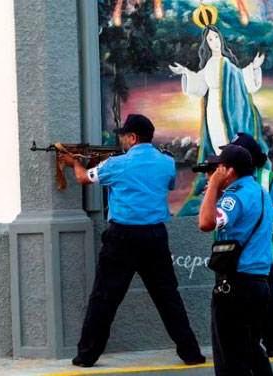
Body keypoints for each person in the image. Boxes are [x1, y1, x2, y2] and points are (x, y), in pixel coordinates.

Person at [61, 114, 205, 368]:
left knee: (105, 297)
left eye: (124, 136)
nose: (122, 140)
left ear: (132, 137)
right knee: (168, 297)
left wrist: (74, 162)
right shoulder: (167, 162)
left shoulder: (116, 164)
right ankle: (191, 353)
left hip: (122, 237)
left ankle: (86, 355)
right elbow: (169, 184)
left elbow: (84, 178)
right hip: (155, 236)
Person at [169, 21, 270, 216]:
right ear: (206, 43)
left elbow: (241, 80)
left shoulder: (227, 63)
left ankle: (232, 181)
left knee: (228, 144)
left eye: (216, 38)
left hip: (229, 112)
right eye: (210, 39)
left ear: (220, 40)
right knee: (217, 145)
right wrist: (185, 73)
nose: (214, 42)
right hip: (213, 111)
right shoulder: (209, 64)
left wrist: (253, 68)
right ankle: (220, 183)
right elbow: (200, 85)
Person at [199, 144, 273, 376]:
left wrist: (213, 187)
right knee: (251, 350)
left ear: (229, 171)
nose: (213, 173)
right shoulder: (260, 191)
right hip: (259, 284)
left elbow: (206, 222)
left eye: (219, 168)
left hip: (236, 286)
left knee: (230, 358)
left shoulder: (235, 197)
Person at [224, 133, 273, 358]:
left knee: (267, 295)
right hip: (231, 253)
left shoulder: (269, 178)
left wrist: (258, 215)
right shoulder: (226, 178)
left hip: (262, 250)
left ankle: (271, 341)